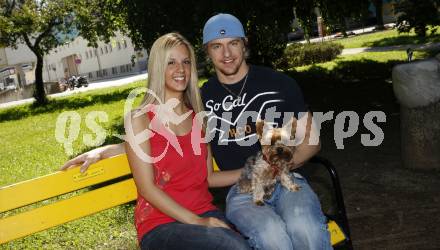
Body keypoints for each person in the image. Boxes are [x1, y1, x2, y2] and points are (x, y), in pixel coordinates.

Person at [62, 14, 331, 250]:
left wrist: (273, 167)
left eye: (233, 43)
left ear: (244, 44)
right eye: (217, 46)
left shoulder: (270, 85)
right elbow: (153, 146)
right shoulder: (203, 102)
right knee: (264, 237)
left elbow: (312, 140)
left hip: (282, 181)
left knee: (303, 228)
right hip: (229, 197)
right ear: (207, 52)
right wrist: (107, 150)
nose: (226, 54)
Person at [62, 32, 250, 250]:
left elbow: (208, 178)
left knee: (250, 241)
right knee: (231, 245)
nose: (180, 69)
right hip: (161, 225)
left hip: (203, 210)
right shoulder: (139, 118)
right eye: (171, 62)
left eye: (186, 62)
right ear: (157, 68)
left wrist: (254, 171)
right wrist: (198, 222)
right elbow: (147, 188)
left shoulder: (198, 118)